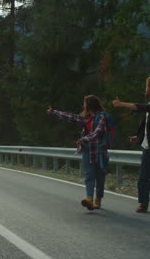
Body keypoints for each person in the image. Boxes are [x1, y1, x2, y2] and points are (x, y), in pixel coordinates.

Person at [47, 95, 109, 211]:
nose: (83, 105)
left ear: (89, 105)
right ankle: (89, 199)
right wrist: (54, 112)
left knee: (100, 177)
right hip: (87, 151)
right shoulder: (86, 118)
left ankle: (98, 199)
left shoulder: (102, 117)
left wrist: (83, 139)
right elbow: (71, 117)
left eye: (85, 103)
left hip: (100, 152)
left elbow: (98, 132)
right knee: (89, 175)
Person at [112, 77, 150, 213]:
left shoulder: (147, 107)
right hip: (147, 146)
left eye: (147, 87)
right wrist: (138, 138)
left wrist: (121, 104)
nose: (146, 89)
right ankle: (143, 203)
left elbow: (140, 107)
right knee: (143, 176)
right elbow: (146, 128)